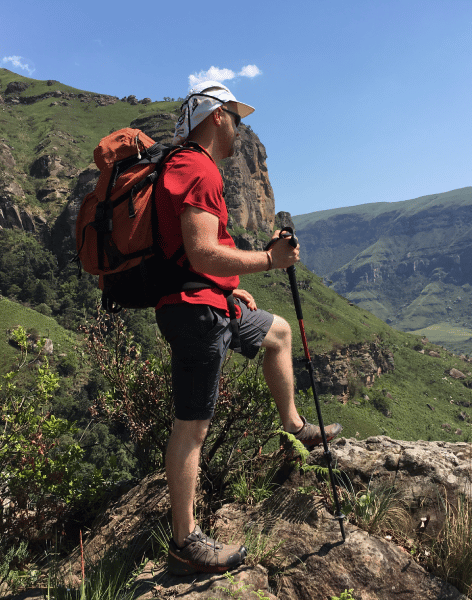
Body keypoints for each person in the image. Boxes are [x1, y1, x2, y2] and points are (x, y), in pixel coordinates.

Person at [154, 80, 343, 576]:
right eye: (236, 117)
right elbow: (199, 249)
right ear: (217, 117)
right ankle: (185, 542)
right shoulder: (196, 166)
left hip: (209, 300)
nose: (241, 127)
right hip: (195, 314)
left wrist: (230, 284)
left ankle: (294, 429)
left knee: (277, 332)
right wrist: (269, 259)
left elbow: (191, 255)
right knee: (191, 427)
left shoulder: (190, 167)